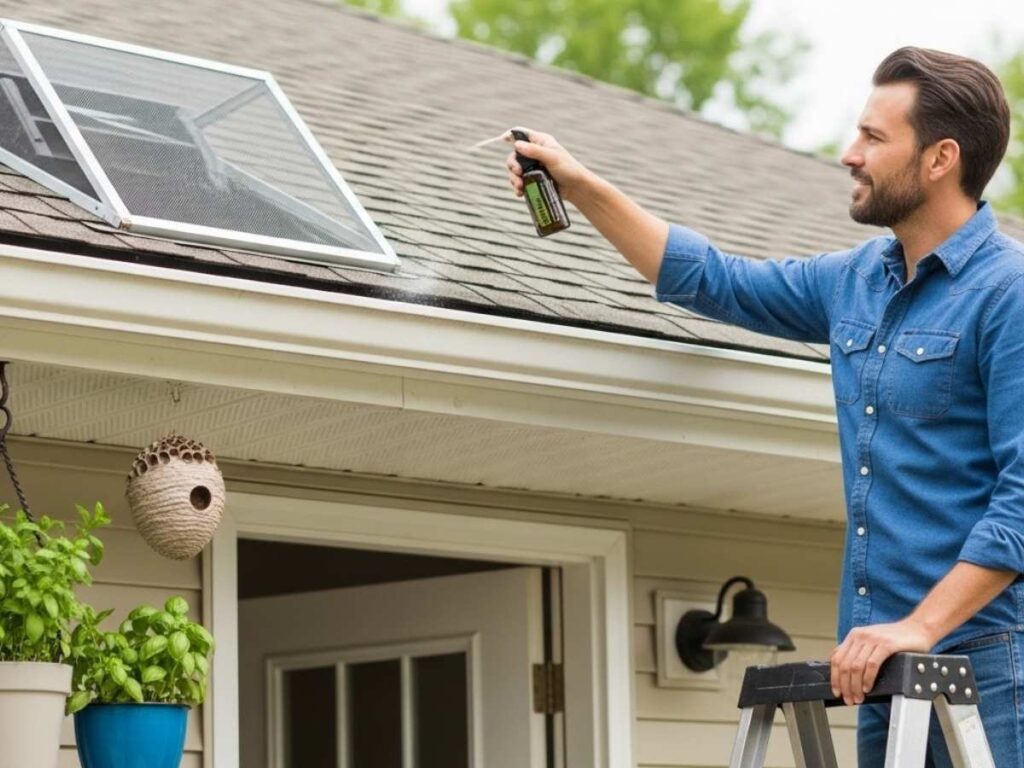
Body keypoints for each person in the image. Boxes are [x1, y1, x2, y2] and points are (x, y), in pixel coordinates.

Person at [505, 47, 1023, 765]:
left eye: (874, 137)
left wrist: (922, 627)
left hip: (979, 665)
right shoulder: (854, 282)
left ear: (940, 158)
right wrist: (580, 185)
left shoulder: (1008, 293)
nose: (849, 154)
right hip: (877, 660)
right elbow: (712, 279)